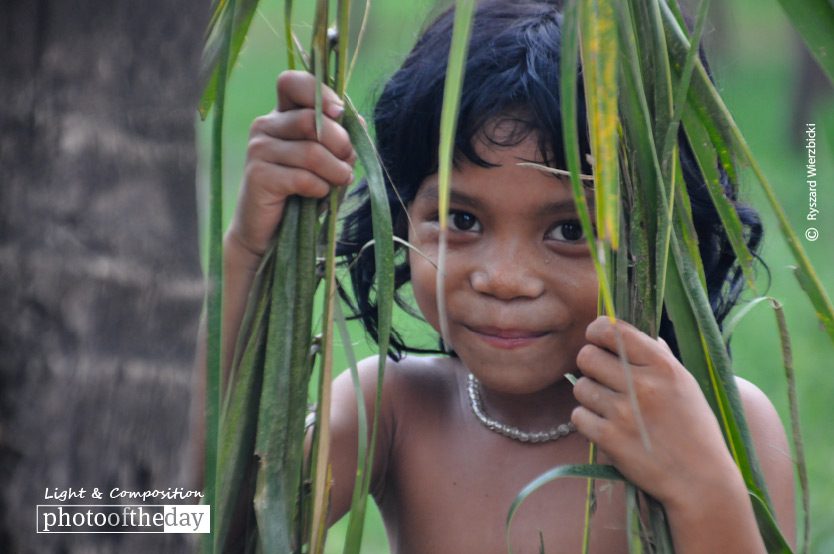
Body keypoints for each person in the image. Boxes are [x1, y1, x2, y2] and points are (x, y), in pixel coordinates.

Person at [219, 1, 796, 552]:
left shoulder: (724, 428)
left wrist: (700, 486)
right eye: (461, 219)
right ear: (400, 218)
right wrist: (249, 253)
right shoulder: (392, 410)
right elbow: (181, 519)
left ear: (667, 237)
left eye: (570, 231)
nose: (504, 279)